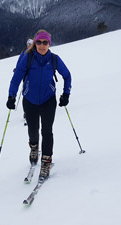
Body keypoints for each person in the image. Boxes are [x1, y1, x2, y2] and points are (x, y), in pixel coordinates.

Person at [7, 29, 72, 180]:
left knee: (47, 131)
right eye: (39, 42)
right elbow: (16, 78)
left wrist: (66, 94)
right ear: (35, 43)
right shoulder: (28, 58)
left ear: (49, 43)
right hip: (30, 100)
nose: (42, 45)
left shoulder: (54, 59)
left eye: (45, 42)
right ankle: (34, 148)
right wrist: (11, 96)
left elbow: (67, 76)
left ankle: (46, 162)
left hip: (48, 100)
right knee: (33, 129)